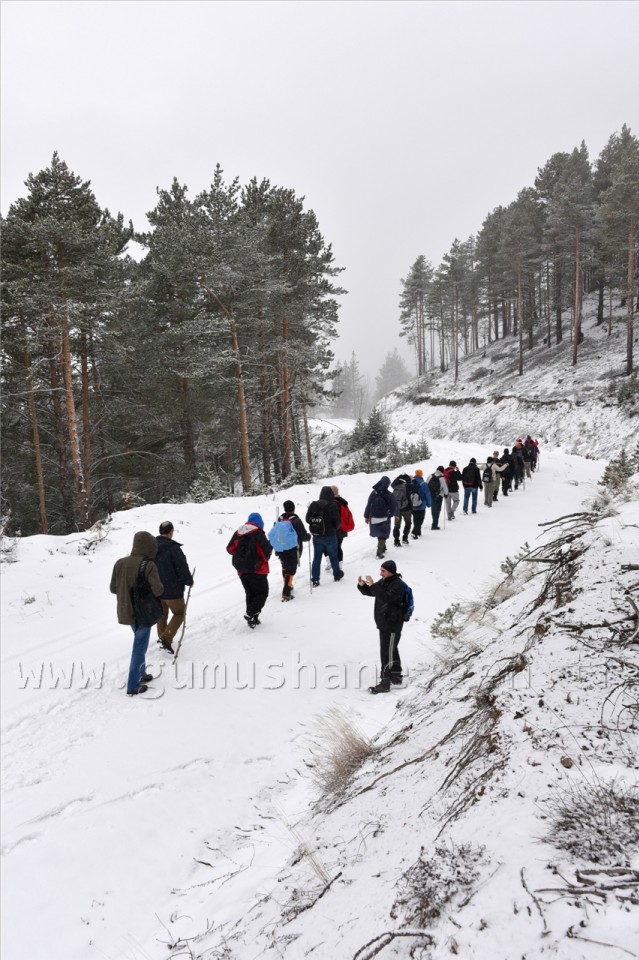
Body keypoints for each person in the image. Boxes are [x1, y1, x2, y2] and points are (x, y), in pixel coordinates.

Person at [110, 531, 164, 696]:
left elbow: (113, 588)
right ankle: (133, 685)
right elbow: (158, 590)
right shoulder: (148, 565)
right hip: (143, 612)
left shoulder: (119, 563)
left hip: (126, 610)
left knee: (139, 643)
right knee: (139, 647)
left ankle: (141, 674)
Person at [357, 559, 405, 694]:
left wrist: (372, 585)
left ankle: (385, 682)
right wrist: (363, 586)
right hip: (385, 623)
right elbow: (374, 592)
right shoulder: (385, 581)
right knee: (391, 649)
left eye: (383, 571)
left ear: (390, 572)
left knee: (386, 652)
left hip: (392, 624)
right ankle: (396, 675)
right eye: (380, 570)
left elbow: (385, 597)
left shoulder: (397, 585)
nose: (380, 573)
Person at [226, 512, 273, 628]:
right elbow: (266, 553)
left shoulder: (239, 532)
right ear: (260, 522)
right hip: (257, 570)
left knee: (250, 593)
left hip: (242, 570)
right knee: (262, 593)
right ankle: (251, 613)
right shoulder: (258, 534)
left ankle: (252, 618)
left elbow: (230, 549)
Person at [155, 521, 194, 654]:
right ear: (171, 531)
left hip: (157, 590)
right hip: (172, 590)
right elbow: (181, 567)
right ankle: (166, 638)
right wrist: (189, 581)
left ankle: (162, 637)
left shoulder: (151, 547)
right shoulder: (173, 548)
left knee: (161, 615)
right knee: (179, 613)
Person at [273, 500, 311, 601]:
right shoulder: (296, 520)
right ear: (293, 509)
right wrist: (308, 537)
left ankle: (288, 585)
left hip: (281, 547)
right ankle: (286, 593)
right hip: (292, 548)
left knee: (284, 566)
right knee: (291, 569)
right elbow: (303, 536)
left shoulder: (280, 519)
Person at [306, 486, 343, 586]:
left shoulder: (313, 505)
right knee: (333, 556)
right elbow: (338, 522)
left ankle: (315, 580)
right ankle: (337, 574)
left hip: (317, 536)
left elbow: (307, 519)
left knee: (317, 558)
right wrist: (334, 527)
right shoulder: (332, 505)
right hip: (330, 535)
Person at [364, 475, 399, 559]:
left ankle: (383, 547)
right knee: (383, 534)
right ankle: (379, 553)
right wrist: (396, 514)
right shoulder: (389, 494)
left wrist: (366, 516)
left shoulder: (373, 493)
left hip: (373, 517)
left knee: (379, 533)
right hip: (384, 518)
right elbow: (394, 506)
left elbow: (368, 505)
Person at [331, 485, 355, 569]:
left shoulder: (333, 503)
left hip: (336, 529)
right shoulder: (342, 501)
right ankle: (339, 564)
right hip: (343, 529)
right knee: (338, 547)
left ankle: (336, 565)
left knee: (334, 547)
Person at [391, 473, 413, 545]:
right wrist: (412, 480)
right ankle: (405, 538)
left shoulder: (395, 485)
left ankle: (396, 541)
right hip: (406, 508)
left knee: (397, 525)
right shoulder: (407, 485)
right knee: (408, 523)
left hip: (397, 509)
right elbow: (416, 487)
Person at [410, 469, 431, 539]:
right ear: (421, 475)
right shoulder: (424, 484)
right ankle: (414, 532)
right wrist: (429, 504)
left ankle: (418, 531)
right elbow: (427, 494)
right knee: (420, 519)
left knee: (416, 519)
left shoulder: (411, 482)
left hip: (412, 504)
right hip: (422, 505)